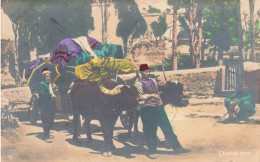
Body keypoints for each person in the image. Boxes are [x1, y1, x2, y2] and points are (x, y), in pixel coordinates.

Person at [134, 64, 190, 156]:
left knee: (166, 126)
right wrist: (151, 95)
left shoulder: (152, 80)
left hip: (158, 106)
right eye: (144, 72)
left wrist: (172, 84)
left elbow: (159, 88)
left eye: (148, 71)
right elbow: (140, 96)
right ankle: (151, 150)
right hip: (147, 108)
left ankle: (177, 147)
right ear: (141, 73)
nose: (146, 73)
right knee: (150, 129)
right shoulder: (138, 83)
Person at [38, 68, 58, 139]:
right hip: (45, 103)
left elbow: (54, 91)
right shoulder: (41, 84)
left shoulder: (52, 84)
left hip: (52, 102)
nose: (48, 78)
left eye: (49, 76)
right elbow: (43, 94)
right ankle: (46, 133)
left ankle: (48, 131)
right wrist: (52, 95)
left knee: (51, 118)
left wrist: (55, 89)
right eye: (46, 76)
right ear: (44, 77)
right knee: (46, 118)